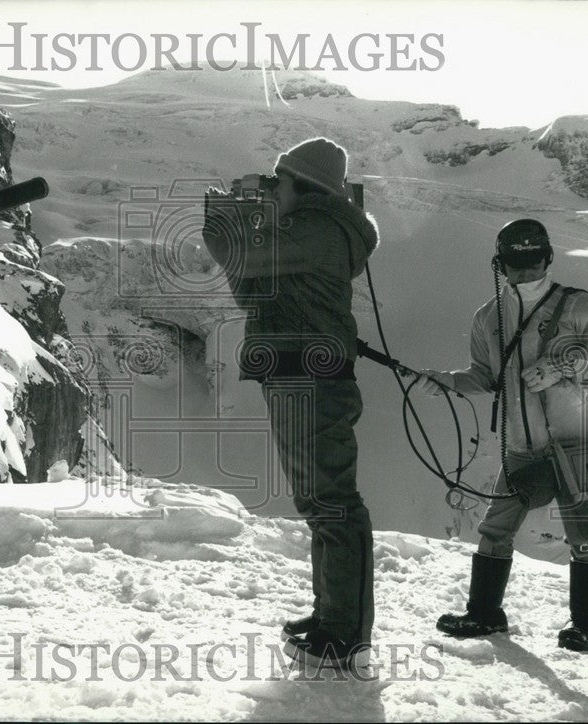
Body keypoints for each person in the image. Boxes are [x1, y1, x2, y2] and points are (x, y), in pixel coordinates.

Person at [202, 138, 380, 668]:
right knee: (318, 505)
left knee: (333, 504)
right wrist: (238, 232)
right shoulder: (303, 231)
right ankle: (331, 616)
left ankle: (345, 632)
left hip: (312, 380)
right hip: (293, 376)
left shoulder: (319, 228)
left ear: (302, 185)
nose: (271, 189)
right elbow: (250, 289)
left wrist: (224, 222)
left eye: (277, 181)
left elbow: (235, 254)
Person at [416, 218, 588, 651]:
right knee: (495, 528)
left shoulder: (577, 304)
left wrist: (565, 365)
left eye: (532, 259)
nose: (524, 269)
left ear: (547, 258)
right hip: (524, 447)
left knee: (585, 534)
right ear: (501, 265)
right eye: (515, 261)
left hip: (579, 442)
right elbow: (485, 376)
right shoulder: (488, 317)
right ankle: (485, 615)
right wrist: (447, 382)